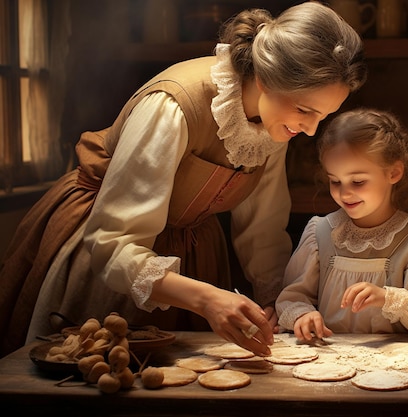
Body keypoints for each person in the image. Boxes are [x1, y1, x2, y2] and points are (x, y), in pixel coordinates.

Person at [0, 1, 367, 358]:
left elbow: (262, 230)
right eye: (305, 110)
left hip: (191, 251)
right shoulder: (175, 104)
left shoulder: (278, 123)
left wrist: (276, 300)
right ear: (266, 78)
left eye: (321, 116)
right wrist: (206, 298)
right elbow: (112, 243)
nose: (309, 129)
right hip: (105, 246)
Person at [275, 108, 408, 341]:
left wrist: (389, 298)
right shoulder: (320, 234)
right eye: (335, 181)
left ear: (394, 173)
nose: (344, 193)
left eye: (357, 181)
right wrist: (301, 316)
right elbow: (292, 297)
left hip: (392, 367)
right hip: (326, 361)